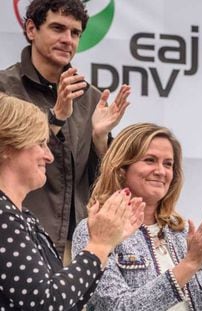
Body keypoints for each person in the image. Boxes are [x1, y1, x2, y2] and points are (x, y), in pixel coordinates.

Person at [72, 123, 202, 310]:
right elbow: (117, 307)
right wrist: (189, 264)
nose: (161, 171)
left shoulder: (181, 232)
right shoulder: (95, 229)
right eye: (150, 160)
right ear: (121, 168)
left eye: (168, 164)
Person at [0, 0, 131, 260]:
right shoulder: (5, 89)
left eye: (74, 33)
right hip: (16, 233)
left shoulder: (92, 98)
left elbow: (102, 183)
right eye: (57, 28)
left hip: (78, 244)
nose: (67, 39)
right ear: (31, 29)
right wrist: (56, 118)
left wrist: (101, 140)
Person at [0, 93, 145, 310]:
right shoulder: (3, 215)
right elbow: (45, 303)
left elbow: (69, 302)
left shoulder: (24, 217)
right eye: (40, 143)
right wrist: (99, 245)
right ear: (7, 147)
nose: (49, 157)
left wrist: (104, 246)